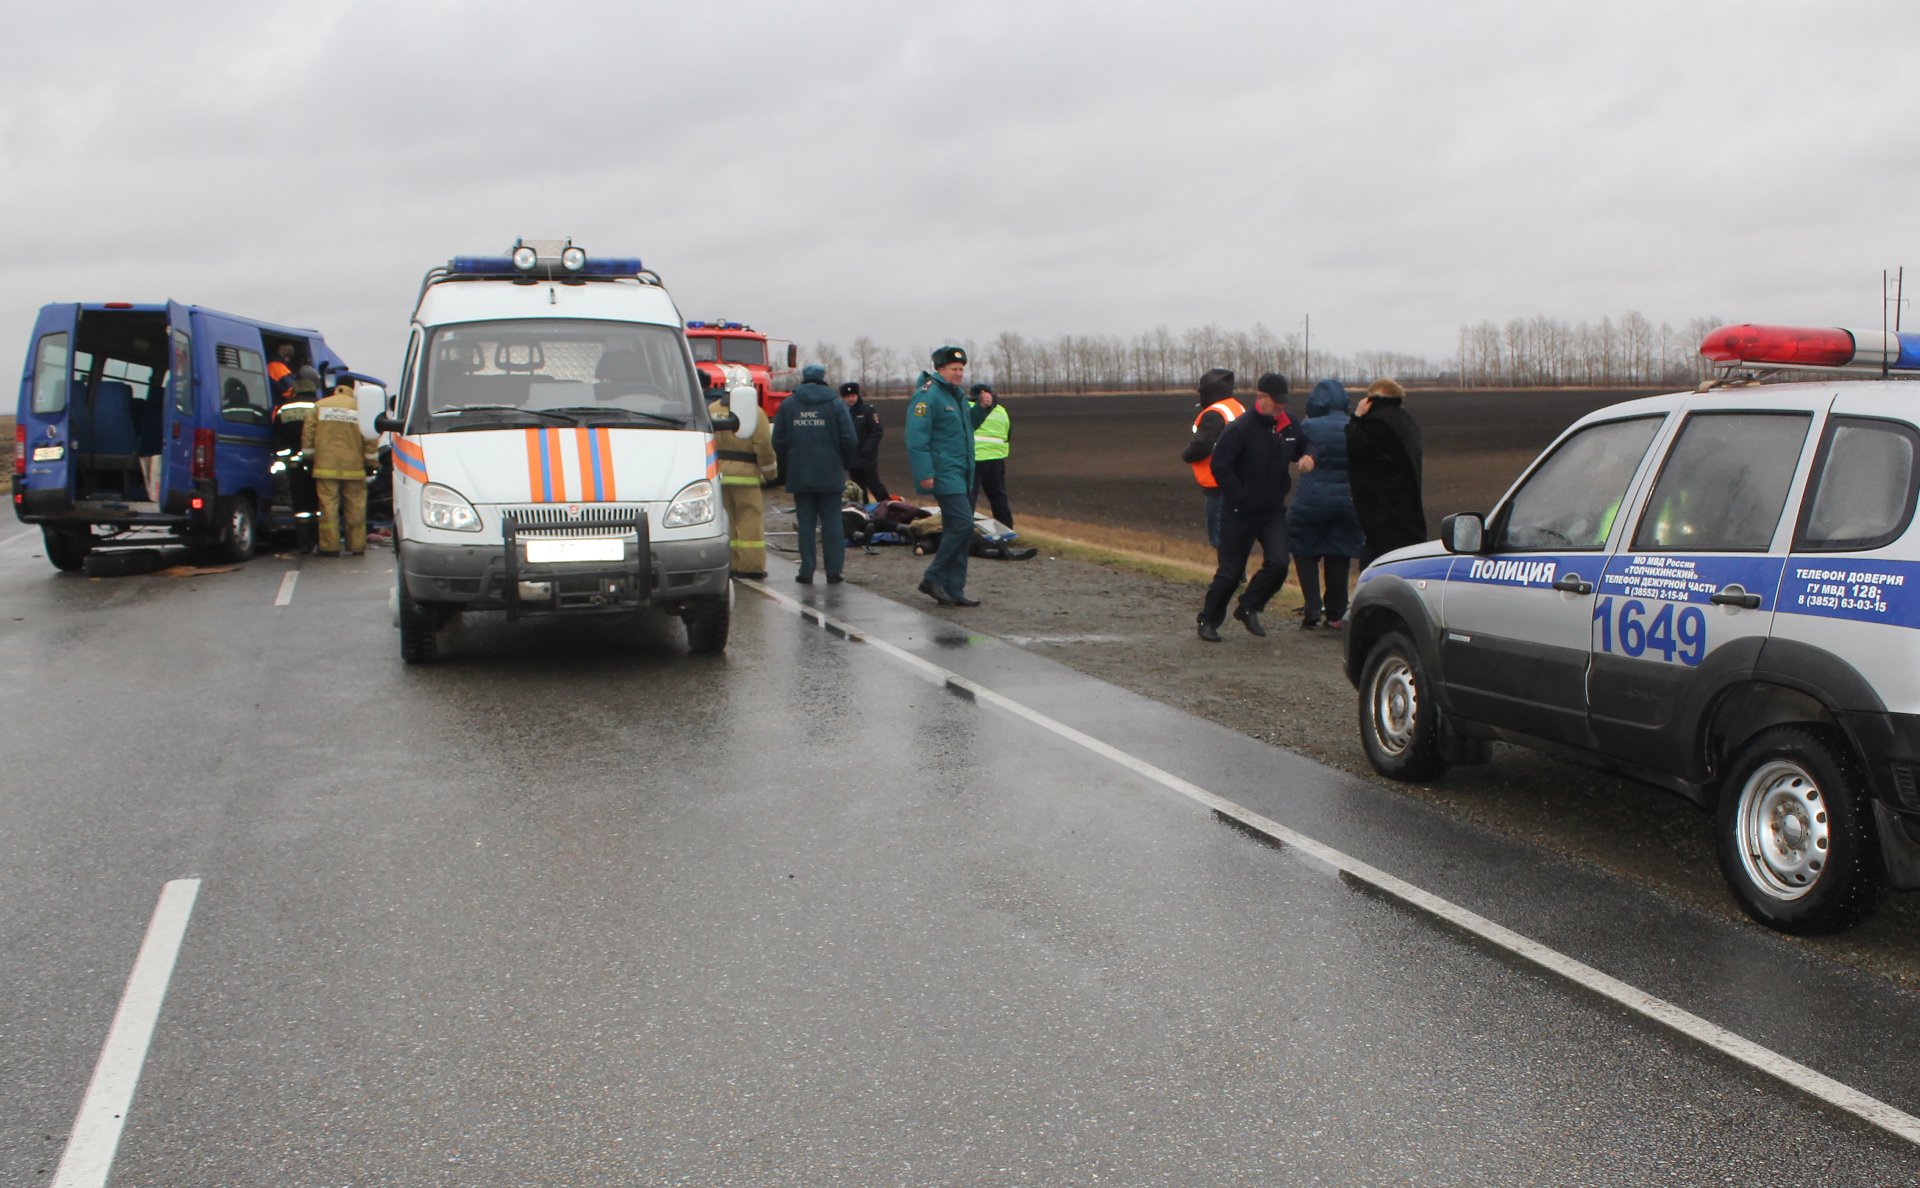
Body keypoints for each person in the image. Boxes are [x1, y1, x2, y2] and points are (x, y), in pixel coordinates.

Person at [1195, 376, 1315, 642]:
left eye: (1284, 401)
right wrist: (1239, 497)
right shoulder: (1240, 429)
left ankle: (1248, 606)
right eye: (1277, 401)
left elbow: (1305, 444)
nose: (1282, 406)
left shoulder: (1288, 423)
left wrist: (1309, 455)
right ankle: (1208, 620)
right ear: (1261, 398)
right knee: (1231, 572)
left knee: (1280, 563)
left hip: (1272, 511)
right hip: (1239, 512)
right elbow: (1220, 467)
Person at [904, 345, 994, 607]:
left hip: (961, 470)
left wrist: (980, 410)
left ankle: (954, 588)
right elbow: (915, 438)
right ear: (940, 369)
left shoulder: (955, 395)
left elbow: (964, 428)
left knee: (959, 529)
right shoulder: (928, 396)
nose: (959, 373)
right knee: (964, 524)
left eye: (962, 369)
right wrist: (925, 473)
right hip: (943, 471)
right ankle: (932, 578)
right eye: (954, 369)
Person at [1287, 378, 1365, 629]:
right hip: (1347, 503)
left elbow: (1293, 453)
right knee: (1338, 553)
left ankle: (1311, 607)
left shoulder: (1308, 427)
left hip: (1312, 501)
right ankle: (1335, 614)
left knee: (1303, 550)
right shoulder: (1355, 427)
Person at [771, 364, 858, 584]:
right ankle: (834, 570)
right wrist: (842, 464)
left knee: (806, 523)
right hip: (830, 472)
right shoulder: (836, 404)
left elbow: (778, 440)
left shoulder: (788, 404)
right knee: (832, 522)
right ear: (823, 379)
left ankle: (806, 570)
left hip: (800, 472)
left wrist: (789, 463)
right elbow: (850, 439)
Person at [1345, 377, 1427, 568]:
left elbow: (1354, 447)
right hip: (1408, 510)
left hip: (1383, 513)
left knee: (1376, 563)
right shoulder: (1407, 421)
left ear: (1371, 400)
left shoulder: (1377, 424)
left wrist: (1356, 417)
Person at [708, 372, 777, 578]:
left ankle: (731, 564)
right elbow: (764, 446)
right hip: (746, 477)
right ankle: (751, 566)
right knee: (749, 520)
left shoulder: (711, 410)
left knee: (725, 521)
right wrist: (771, 473)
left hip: (718, 475)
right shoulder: (755, 413)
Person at [302, 375, 377, 556]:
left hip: (325, 466)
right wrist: (371, 464)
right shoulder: (360, 408)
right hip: (354, 467)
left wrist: (308, 457)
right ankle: (357, 546)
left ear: (337, 386)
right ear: (353, 387)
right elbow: (370, 438)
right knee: (356, 506)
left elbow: (308, 433)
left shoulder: (320, 406)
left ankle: (329, 547)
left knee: (328, 507)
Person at [1180, 368, 1244, 547]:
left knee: (1221, 540)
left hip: (1218, 485)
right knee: (1235, 539)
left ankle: (1232, 576)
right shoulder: (1236, 407)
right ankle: (1237, 575)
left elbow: (1202, 445)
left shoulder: (1213, 414)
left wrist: (1186, 454)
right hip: (1239, 481)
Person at [968, 383, 1014, 527]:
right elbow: (1007, 435)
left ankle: (963, 531)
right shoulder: (1001, 410)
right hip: (996, 459)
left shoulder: (968, 407)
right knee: (998, 497)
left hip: (974, 458)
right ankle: (1006, 530)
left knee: (969, 497)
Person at [841, 381, 890, 501]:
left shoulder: (868, 411)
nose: (850, 399)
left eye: (852, 396)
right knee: (857, 487)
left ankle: (887, 506)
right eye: (847, 397)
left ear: (857, 395)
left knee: (873, 483)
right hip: (852, 457)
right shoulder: (842, 413)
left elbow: (877, 431)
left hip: (867, 457)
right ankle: (862, 511)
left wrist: (866, 449)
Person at [267, 343, 297, 407]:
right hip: (277, 408)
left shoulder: (274, 365)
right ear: (286, 356)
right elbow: (290, 390)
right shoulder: (276, 366)